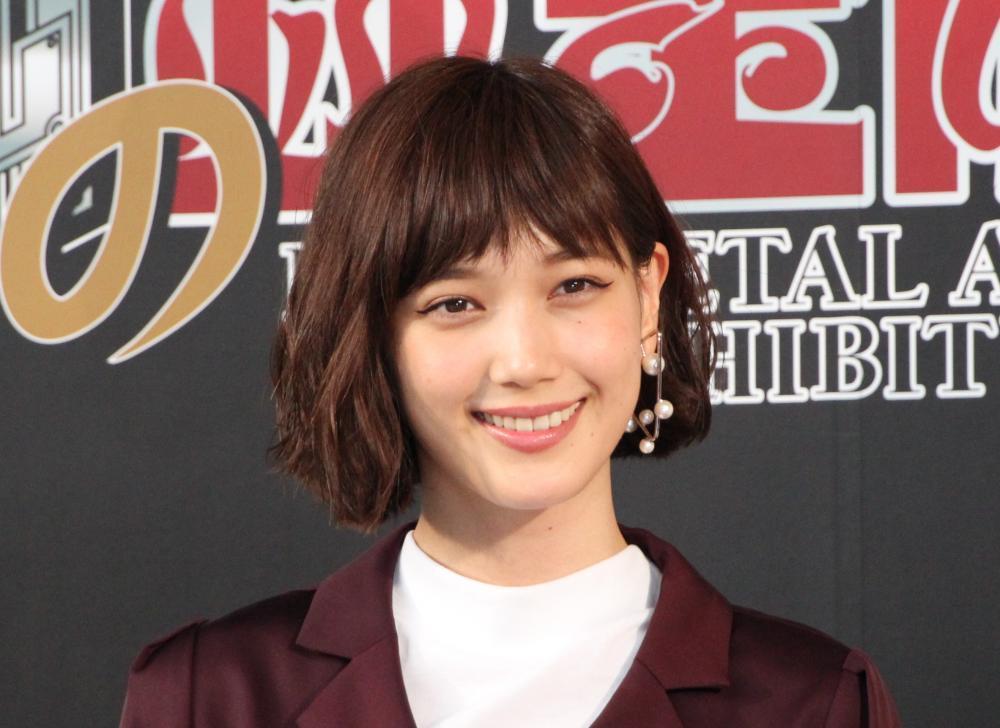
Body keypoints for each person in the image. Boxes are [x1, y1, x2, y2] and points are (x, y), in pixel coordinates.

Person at [118, 54, 901, 727]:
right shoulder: (212, 697)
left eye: (574, 286)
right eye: (456, 304)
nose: (525, 361)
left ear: (647, 298)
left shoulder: (813, 703)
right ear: (375, 336)